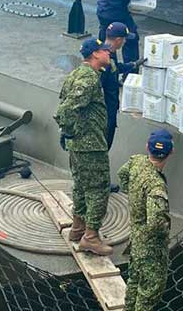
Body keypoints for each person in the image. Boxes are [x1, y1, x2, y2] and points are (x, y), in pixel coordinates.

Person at [54, 38, 115, 256]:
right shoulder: (88, 79)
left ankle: (77, 228)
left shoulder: (77, 74)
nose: (109, 53)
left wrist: (69, 134)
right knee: (98, 188)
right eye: (105, 51)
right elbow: (66, 109)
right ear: (95, 54)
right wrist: (70, 130)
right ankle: (91, 237)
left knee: (80, 185)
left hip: (79, 144)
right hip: (90, 144)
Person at [118, 129, 174, 311]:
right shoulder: (156, 186)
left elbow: (122, 175)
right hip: (151, 248)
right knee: (149, 291)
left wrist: (135, 199)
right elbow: (157, 223)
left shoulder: (136, 161)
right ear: (170, 152)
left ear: (146, 148)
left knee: (134, 279)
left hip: (135, 236)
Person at [99, 21, 140, 153]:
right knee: (103, 149)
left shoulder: (109, 53)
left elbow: (116, 68)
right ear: (117, 40)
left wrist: (133, 64)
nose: (124, 42)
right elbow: (97, 87)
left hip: (110, 109)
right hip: (104, 114)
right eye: (124, 39)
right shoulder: (103, 61)